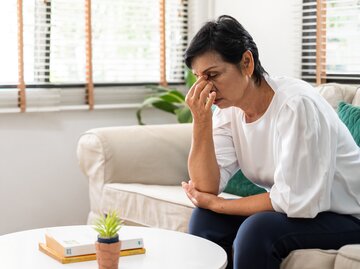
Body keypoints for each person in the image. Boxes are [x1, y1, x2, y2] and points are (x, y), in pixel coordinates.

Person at [181, 15, 360, 269]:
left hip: (347, 215)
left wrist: (220, 204)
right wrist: (201, 120)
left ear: (246, 62)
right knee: (205, 219)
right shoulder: (227, 111)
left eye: (213, 75)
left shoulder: (296, 106)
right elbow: (205, 187)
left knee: (257, 231)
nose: (206, 88)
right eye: (199, 78)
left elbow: (295, 200)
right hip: (304, 210)